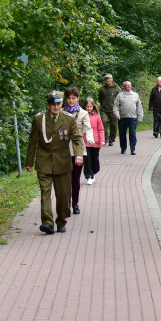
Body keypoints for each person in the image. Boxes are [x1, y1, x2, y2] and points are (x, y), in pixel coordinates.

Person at [25, 91, 85, 234]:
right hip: (44, 161)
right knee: (45, 192)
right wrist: (29, 161)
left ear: (61, 104)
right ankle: (47, 223)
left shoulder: (69, 120)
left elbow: (77, 139)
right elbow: (32, 141)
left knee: (63, 194)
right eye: (53, 104)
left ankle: (61, 220)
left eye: (58, 104)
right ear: (48, 105)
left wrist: (78, 155)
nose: (56, 107)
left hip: (63, 162)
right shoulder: (39, 119)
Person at [64, 86, 93, 215]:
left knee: (75, 180)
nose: (71, 101)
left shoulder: (83, 113)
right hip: (63, 151)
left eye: (73, 98)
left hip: (78, 150)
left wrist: (90, 138)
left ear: (78, 98)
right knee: (66, 180)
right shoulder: (61, 112)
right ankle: (66, 205)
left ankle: (75, 203)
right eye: (69, 98)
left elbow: (88, 128)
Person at [113, 80, 144, 155]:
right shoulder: (120, 95)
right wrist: (117, 114)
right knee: (122, 134)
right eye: (126, 85)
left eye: (129, 85)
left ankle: (133, 149)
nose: (128, 87)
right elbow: (115, 106)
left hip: (132, 118)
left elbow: (139, 107)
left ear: (131, 86)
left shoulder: (135, 95)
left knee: (132, 134)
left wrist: (140, 117)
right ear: (123, 86)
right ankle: (123, 148)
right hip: (122, 118)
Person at [83, 97, 105, 184]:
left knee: (94, 158)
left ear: (93, 107)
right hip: (85, 141)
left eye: (90, 106)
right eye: (87, 106)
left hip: (96, 141)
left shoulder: (97, 116)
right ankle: (89, 175)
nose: (88, 108)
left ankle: (94, 171)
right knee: (87, 159)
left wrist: (102, 140)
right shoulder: (82, 115)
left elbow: (101, 129)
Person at [97, 74, 120, 146]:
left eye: (107, 81)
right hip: (104, 110)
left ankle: (111, 139)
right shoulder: (102, 89)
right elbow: (100, 98)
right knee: (103, 122)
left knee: (114, 125)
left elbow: (120, 99)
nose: (105, 82)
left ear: (111, 81)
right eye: (105, 81)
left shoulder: (117, 88)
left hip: (114, 110)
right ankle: (104, 138)